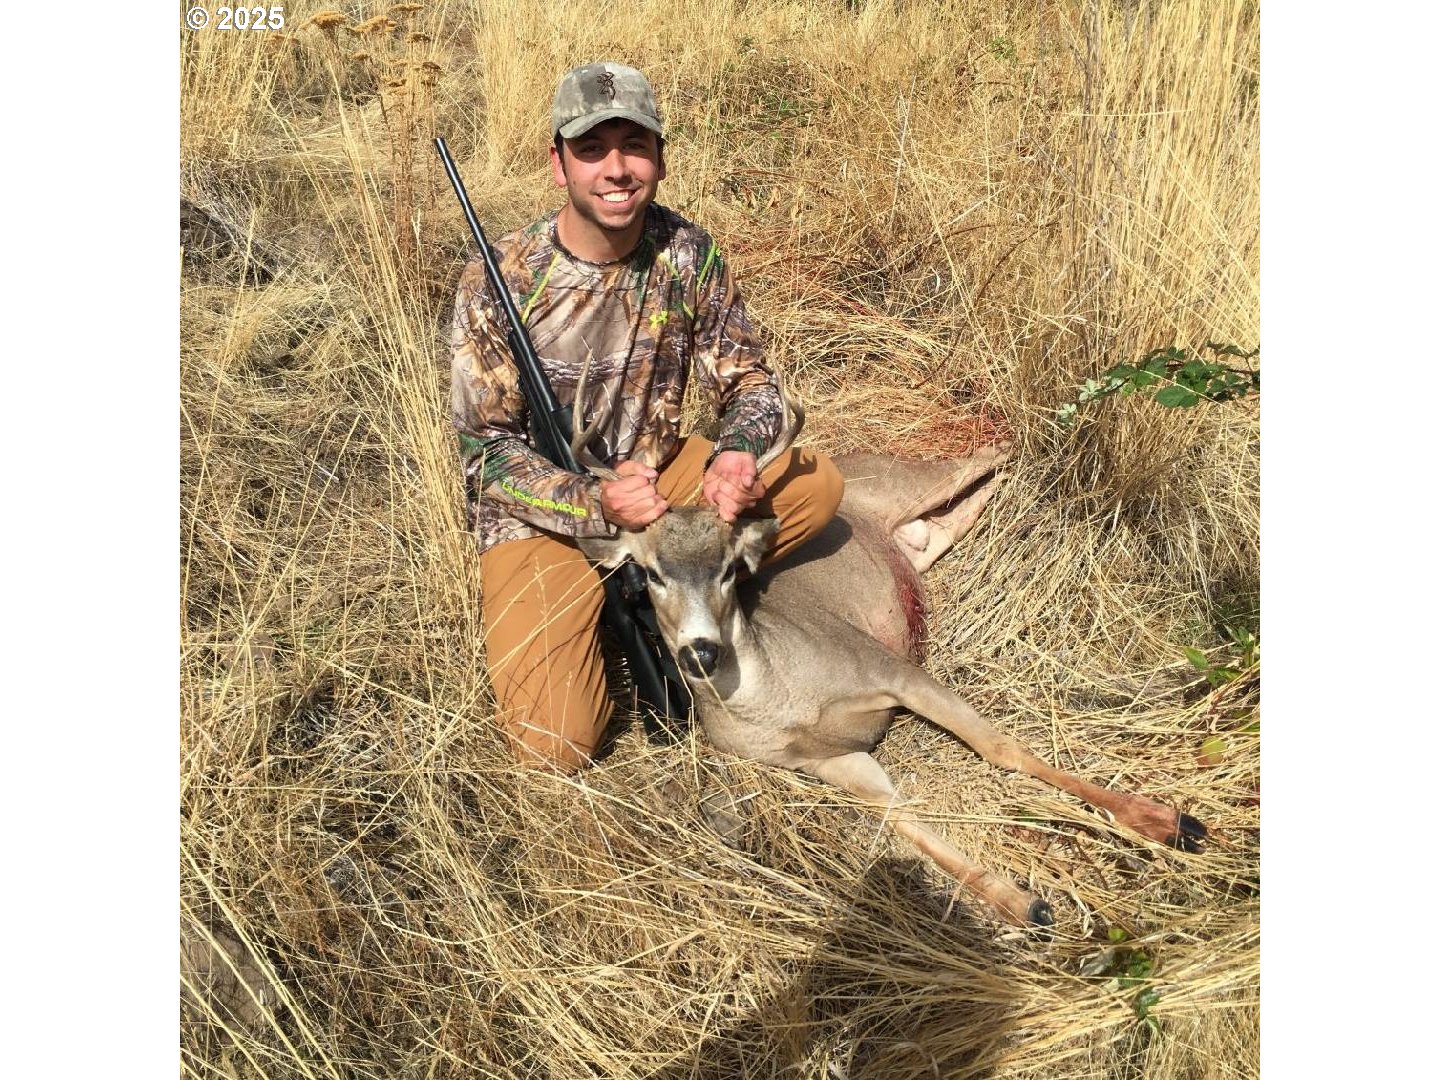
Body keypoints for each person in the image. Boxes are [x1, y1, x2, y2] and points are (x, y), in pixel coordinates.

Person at [450, 61, 843, 773]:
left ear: (660, 157)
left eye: (635, 145)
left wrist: (735, 454)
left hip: (664, 483)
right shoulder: (500, 274)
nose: (617, 169)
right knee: (554, 747)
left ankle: (672, 590)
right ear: (558, 162)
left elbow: (753, 382)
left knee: (820, 491)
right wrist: (594, 500)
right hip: (544, 515)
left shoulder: (688, 253)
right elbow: (486, 454)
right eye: (592, 149)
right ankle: (628, 601)